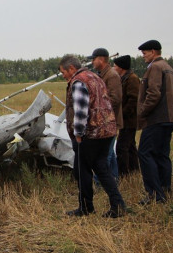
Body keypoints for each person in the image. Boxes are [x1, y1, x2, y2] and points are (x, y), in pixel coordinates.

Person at [59, 55, 126, 218]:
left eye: (63, 71)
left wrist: (79, 133)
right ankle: (118, 205)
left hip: (91, 134)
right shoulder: (94, 76)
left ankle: (85, 207)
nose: (63, 75)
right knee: (102, 169)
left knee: (82, 172)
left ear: (71, 69)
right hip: (107, 131)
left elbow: (81, 110)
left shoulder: (79, 81)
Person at [137, 40, 173, 205]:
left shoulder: (155, 67)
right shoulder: (168, 67)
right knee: (162, 155)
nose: (144, 57)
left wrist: (143, 111)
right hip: (170, 118)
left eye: (145, 53)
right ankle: (165, 191)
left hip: (157, 119)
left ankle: (154, 194)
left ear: (153, 51)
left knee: (145, 153)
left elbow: (153, 94)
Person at [88, 48, 122, 180]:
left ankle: (100, 182)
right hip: (105, 120)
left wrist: (99, 109)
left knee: (104, 154)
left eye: (94, 59)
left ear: (101, 60)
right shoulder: (102, 74)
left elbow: (116, 98)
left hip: (109, 121)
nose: (92, 62)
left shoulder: (112, 75)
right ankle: (113, 177)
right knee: (110, 153)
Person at [112, 55, 140, 176]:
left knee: (122, 147)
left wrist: (122, 114)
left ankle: (123, 173)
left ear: (121, 68)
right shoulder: (124, 78)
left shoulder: (132, 79)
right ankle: (134, 169)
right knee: (131, 146)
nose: (113, 68)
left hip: (129, 120)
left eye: (115, 66)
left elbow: (134, 100)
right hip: (127, 120)